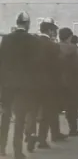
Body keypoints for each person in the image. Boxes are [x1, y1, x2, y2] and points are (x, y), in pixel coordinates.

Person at [0, 12, 39, 159]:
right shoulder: (32, 40)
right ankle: (17, 151)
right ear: (27, 24)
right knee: (20, 118)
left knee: (5, 115)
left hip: (7, 84)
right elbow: (35, 64)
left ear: (17, 23)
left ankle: (1, 147)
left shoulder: (6, 39)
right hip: (24, 85)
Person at [27, 18, 66, 152]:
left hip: (32, 83)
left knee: (32, 111)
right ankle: (42, 140)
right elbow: (58, 67)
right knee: (46, 113)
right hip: (49, 85)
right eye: (53, 30)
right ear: (49, 30)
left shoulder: (31, 43)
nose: (54, 33)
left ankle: (31, 134)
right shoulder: (53, 46)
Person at [57, 27, 78, 137]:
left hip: (57, 81)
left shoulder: (55, 47)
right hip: (73, 82)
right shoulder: (74, 49)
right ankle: (73, 129)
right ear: (69, 37)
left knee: (54, 107)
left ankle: (55, 131)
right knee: (72, 107)